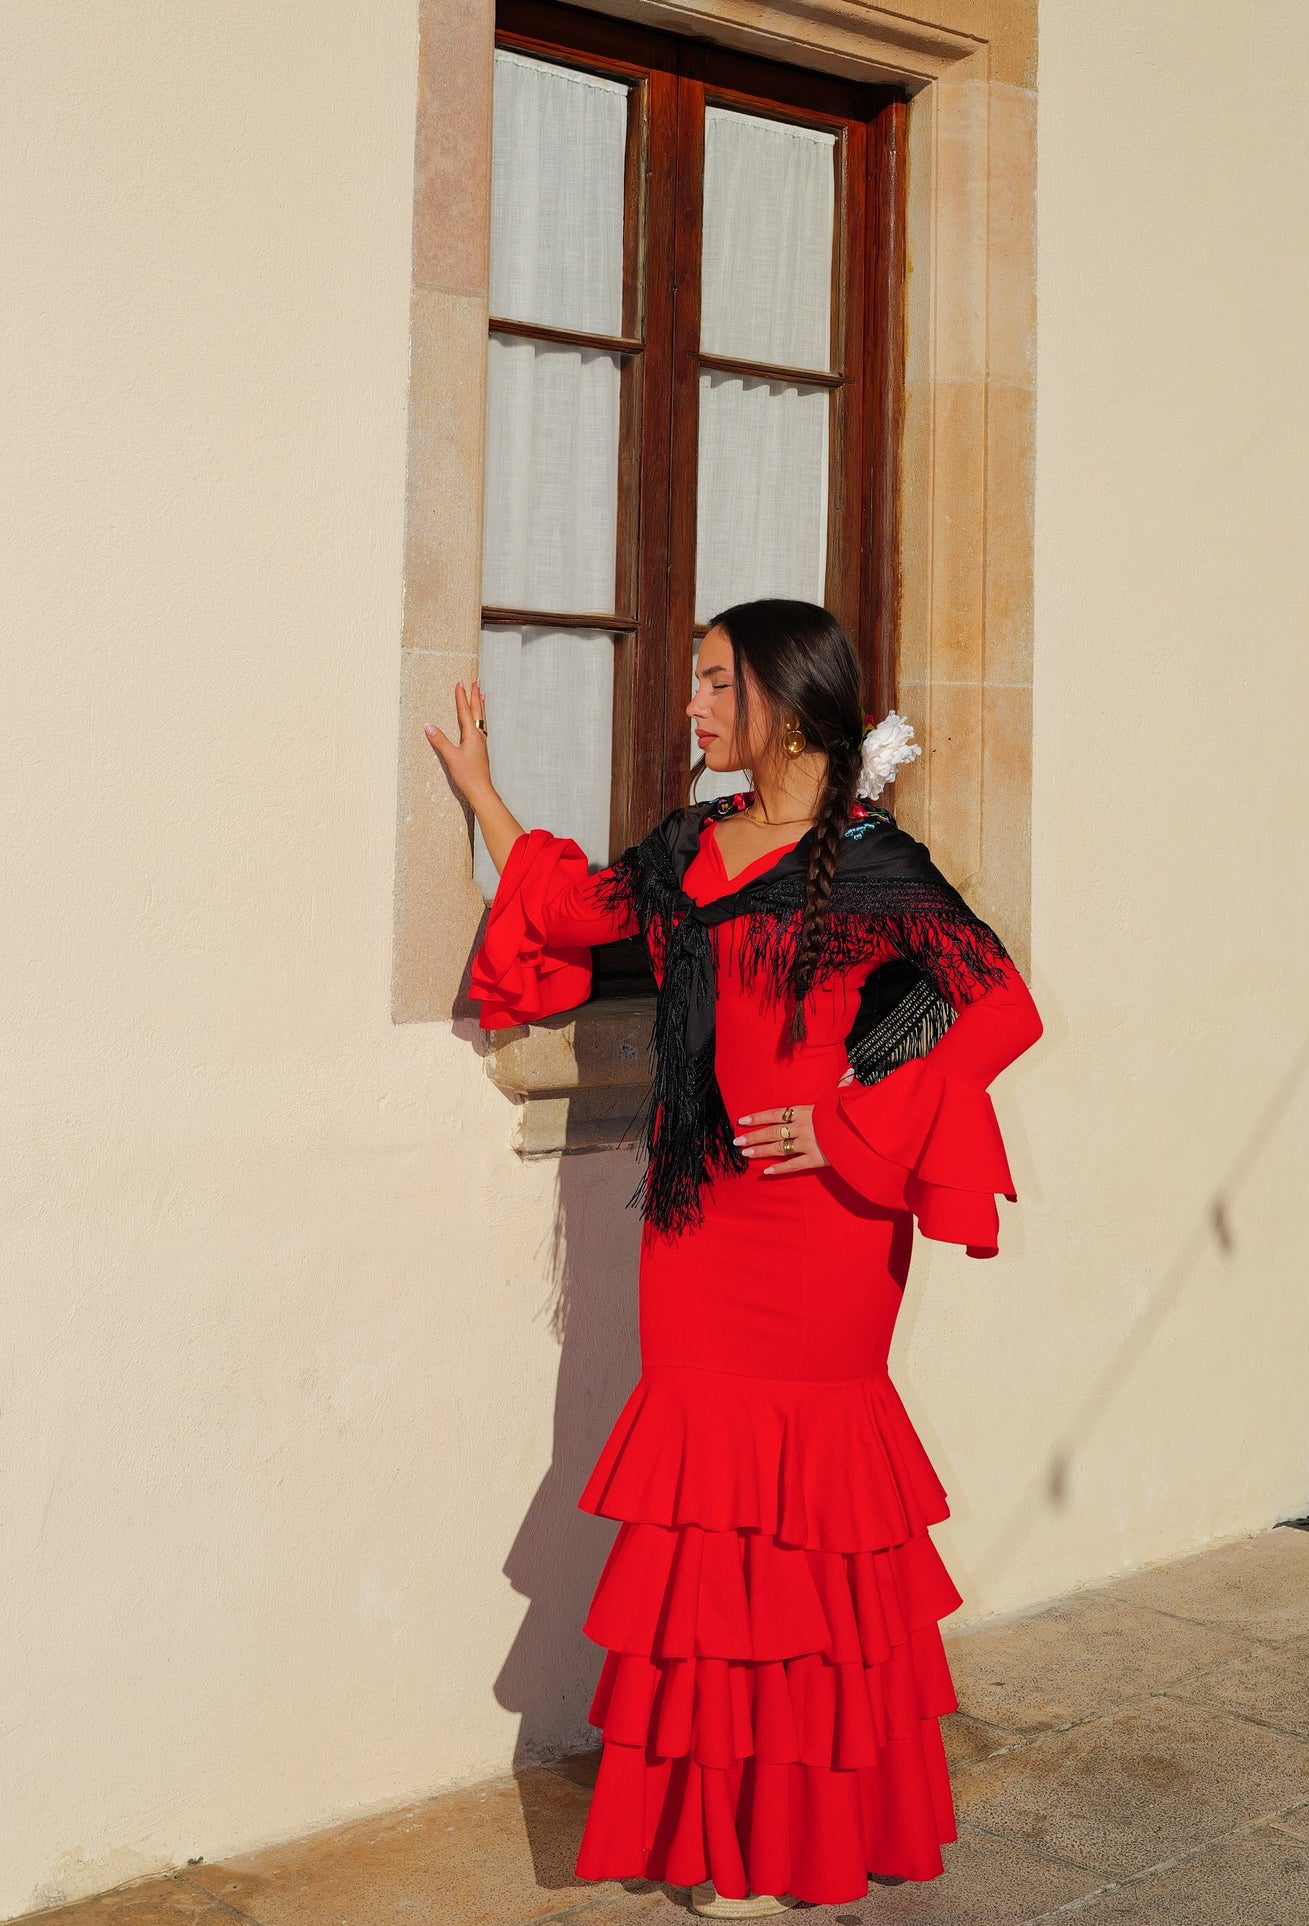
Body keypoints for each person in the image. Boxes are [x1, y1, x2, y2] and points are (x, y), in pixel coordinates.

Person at [424, 599, 1044, 1916]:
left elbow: (997, 1005)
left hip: (823, 1232)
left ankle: (812, 1828)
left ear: (782, 697)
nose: (693, 709)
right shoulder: (692, 842)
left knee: (807, 1520)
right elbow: (582, 911)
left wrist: (844, 1122)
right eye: (695, 683)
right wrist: (485, 796)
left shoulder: (870, 859)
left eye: (715, 684)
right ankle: (719, 1830)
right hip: (696, 1222)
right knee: (710, 1524)